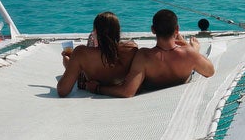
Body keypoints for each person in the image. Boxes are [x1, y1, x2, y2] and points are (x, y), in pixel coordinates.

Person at [86, 9, 215, 98]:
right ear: (177, 30)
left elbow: (127, 92)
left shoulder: (144, 56)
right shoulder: (189, 54)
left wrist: (98, 88)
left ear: (153, 30)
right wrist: (190, 48)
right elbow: (209, 72)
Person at [57, 11, 137, 97]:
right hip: (115, 84)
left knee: (87, 44)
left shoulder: (81, 53)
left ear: (95, 31)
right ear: (118, 31)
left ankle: (70, 63)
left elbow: (62, 91)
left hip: (88, 82)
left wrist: (70, 65)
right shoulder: (131, 48)